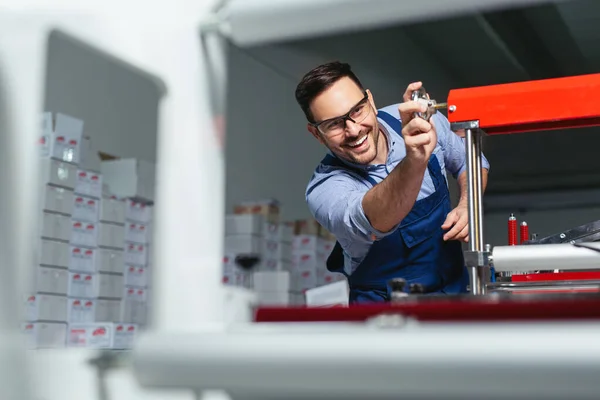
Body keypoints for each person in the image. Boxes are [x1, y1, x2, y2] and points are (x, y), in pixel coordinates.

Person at [294, 61, 490, 303]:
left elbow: (469, 160)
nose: (353, 130)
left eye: (357, 110)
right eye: (334, 124)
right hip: (383, 318)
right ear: (316, 134)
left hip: (453, 294)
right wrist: (415, 159)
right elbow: (376, 218)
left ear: (371, 102)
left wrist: (468, 204)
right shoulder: (325, 189)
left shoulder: (417, 121)